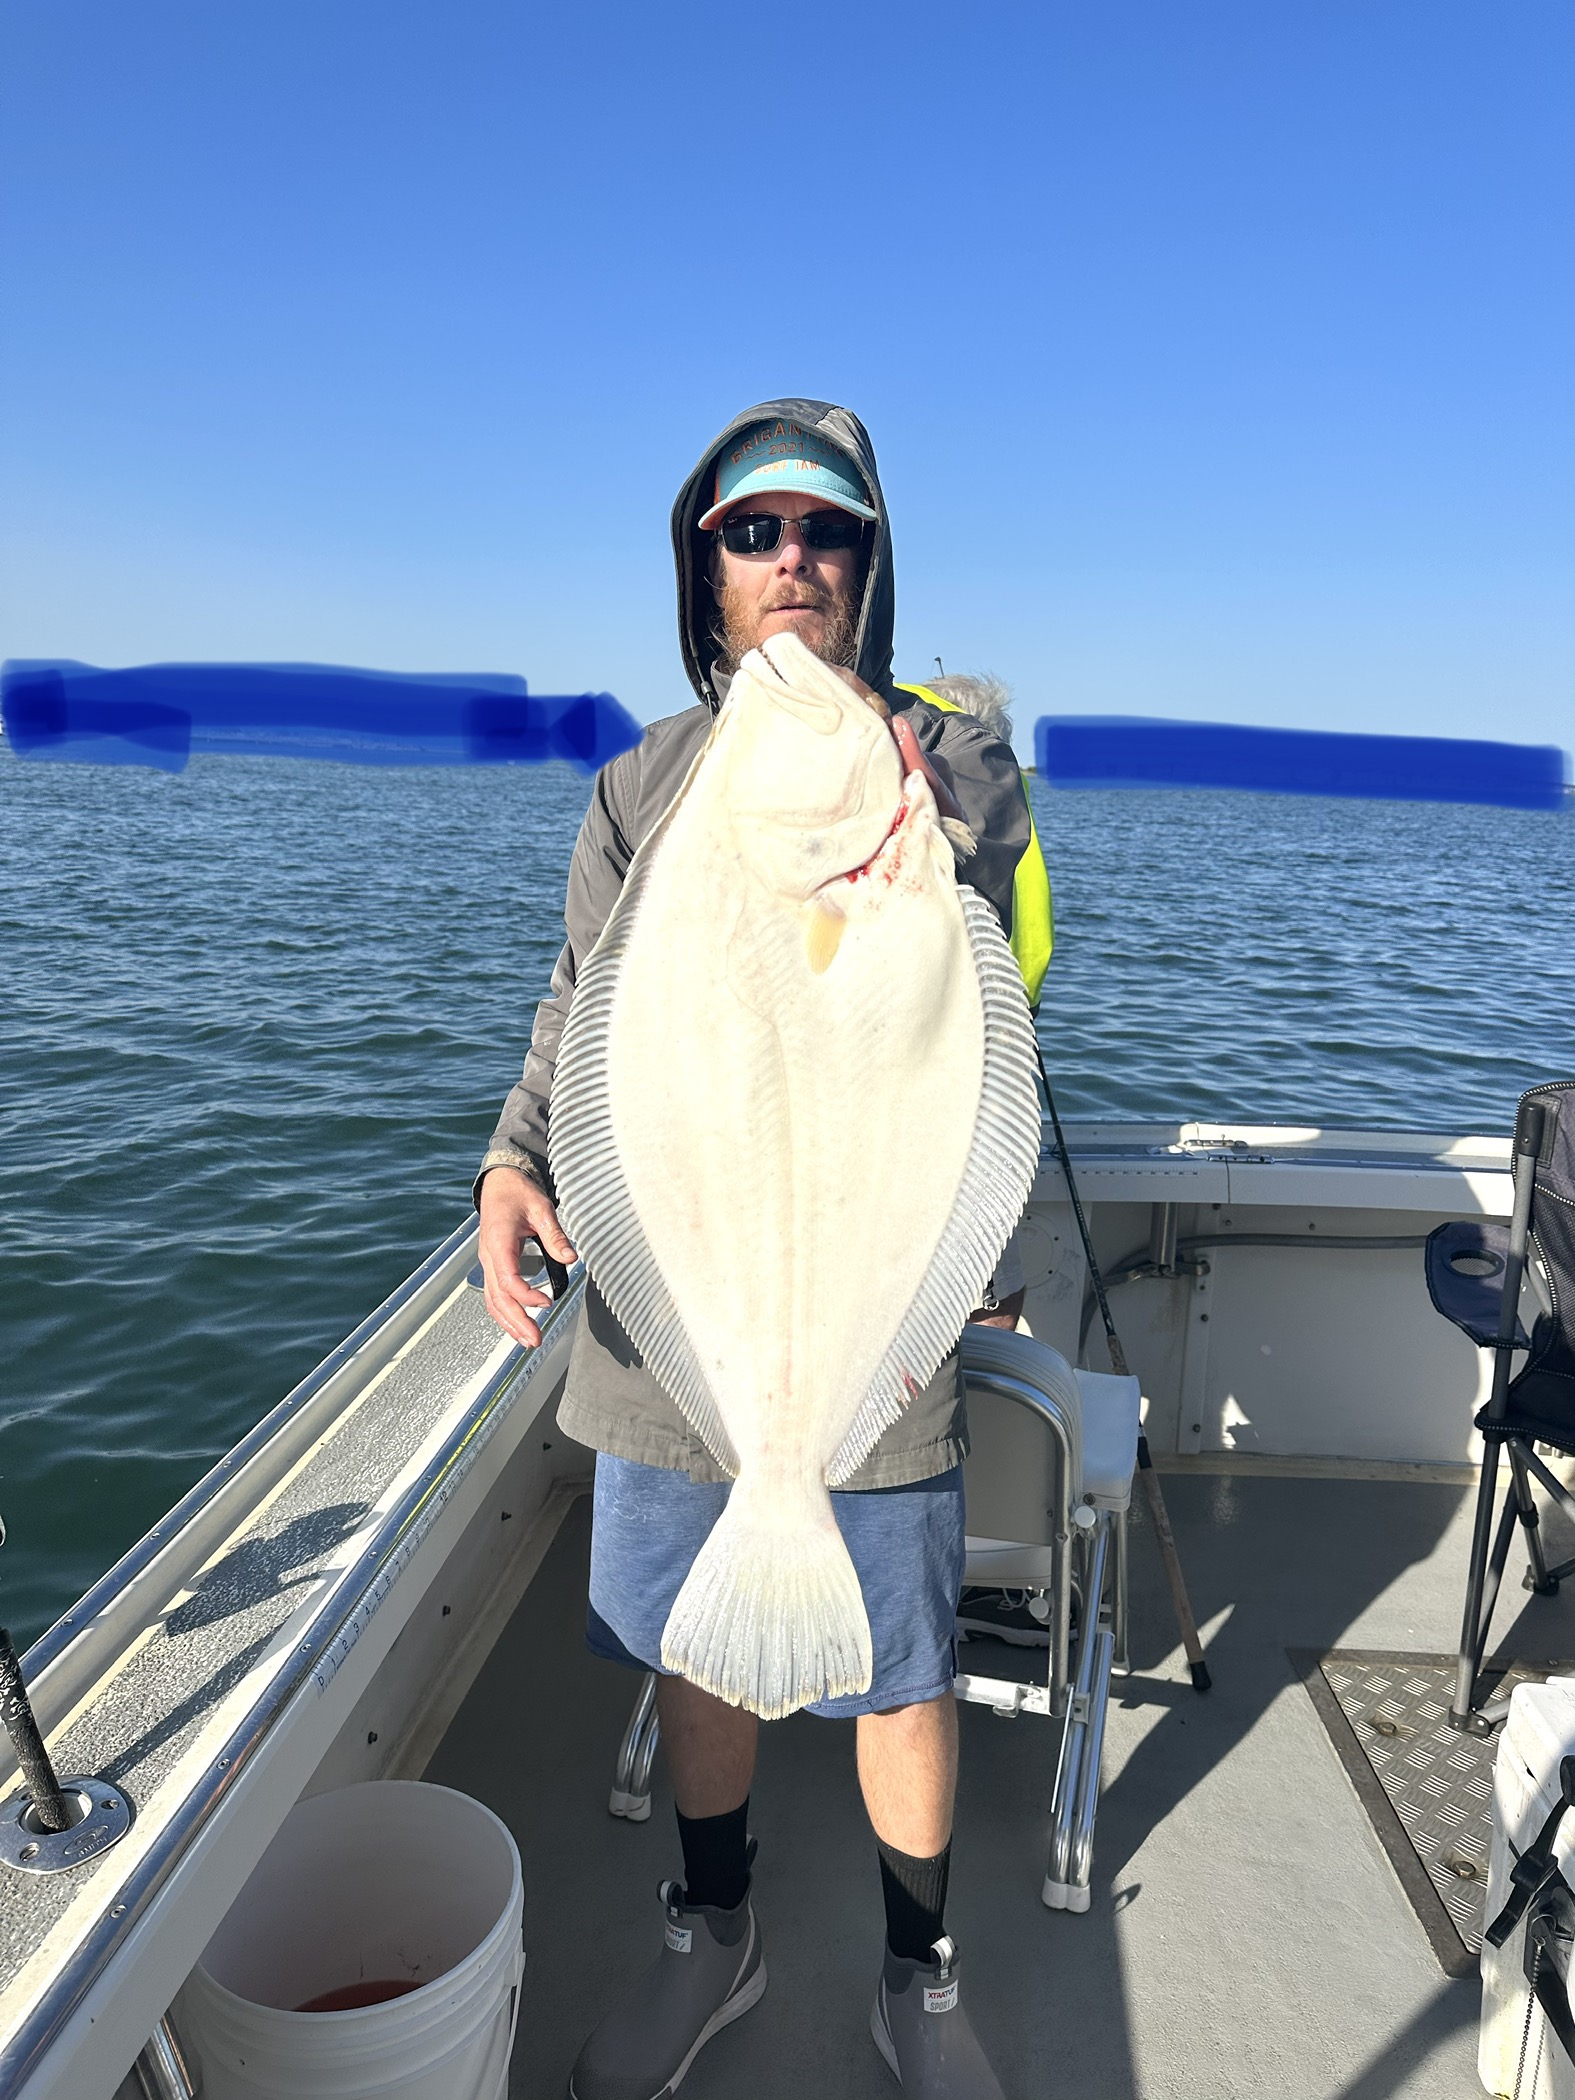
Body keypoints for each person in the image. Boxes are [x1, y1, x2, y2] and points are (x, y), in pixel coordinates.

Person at [476, 401, 1042, 2100]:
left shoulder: (950, 771)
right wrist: (515, 1160)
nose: (791, 556)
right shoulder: (640, 784)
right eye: (753, 532)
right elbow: (586, 1013)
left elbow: (994, 976)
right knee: (701, 1646)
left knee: (904, 1670)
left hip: (872, 1289)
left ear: (870, 568)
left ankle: (919, 1982)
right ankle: (710, 1934)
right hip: (687, 1294)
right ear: (705, 570)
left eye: (830, 530)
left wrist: (932, 777)